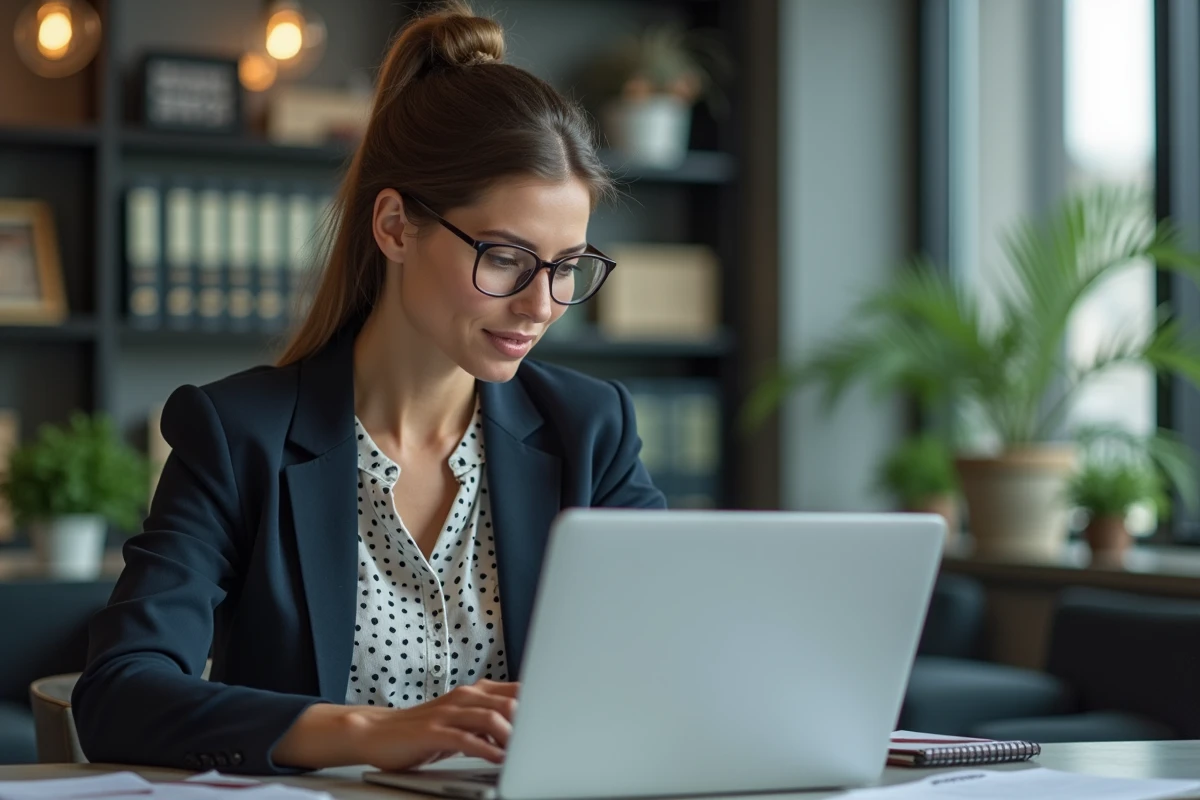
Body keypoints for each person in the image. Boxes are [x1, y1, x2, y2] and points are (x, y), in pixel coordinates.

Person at [71, 0, 665, 776]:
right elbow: (120, 695)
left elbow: (673, 656)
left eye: (567, 267)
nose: (542, 304)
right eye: (506, 259)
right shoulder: (238, 435)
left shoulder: (589, 429)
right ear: (394, 227)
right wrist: (368, 732)